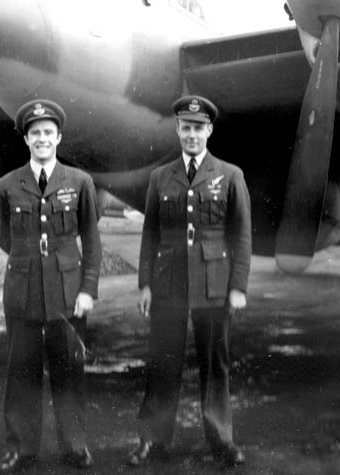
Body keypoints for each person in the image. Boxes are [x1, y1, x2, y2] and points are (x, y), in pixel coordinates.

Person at [125, 95, 252, 468]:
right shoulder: (160, 178)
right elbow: (150, 234)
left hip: (214, 285)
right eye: (186, 128)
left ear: (209, 130)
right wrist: (144, 284)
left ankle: (222, 441)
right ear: (178, 130)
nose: (192, 135)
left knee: (216, 366)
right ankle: (152, 439)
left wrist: (238, 288)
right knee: (162, 365)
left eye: (199, 128)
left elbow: (241, 235)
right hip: (168, 286)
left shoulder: (230, 176)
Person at [0, 99, 102, 472]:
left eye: (48, 133)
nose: (42, 139)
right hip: (22, 291)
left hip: (67, 292)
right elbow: (6, 238)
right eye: (35, 133)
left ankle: (75, 445)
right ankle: (21, 447)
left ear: (59, 137)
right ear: (26, 139)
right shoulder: (7, 185)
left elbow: (91, 239)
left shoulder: (79, 182)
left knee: (69, 372)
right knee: (21, 370)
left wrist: (87, 289)